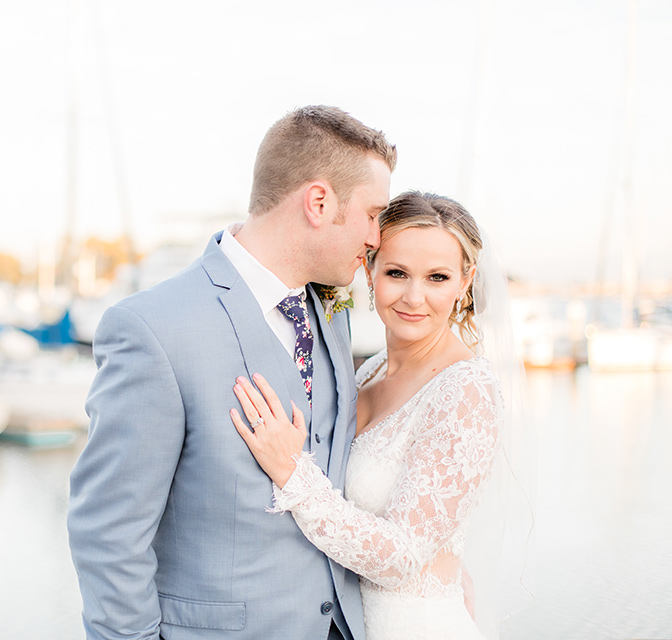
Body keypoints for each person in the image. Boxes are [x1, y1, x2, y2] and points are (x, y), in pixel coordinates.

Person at [67, 106, 396, 639]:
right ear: (318, 202)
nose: (377, 236)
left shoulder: (332, 315)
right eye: (372, 213)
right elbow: (108, 534)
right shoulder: (153, 329)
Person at [230, 191, 518, 639]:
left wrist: (292, 473)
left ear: (466, 282)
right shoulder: (371, 371)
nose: (413, 296)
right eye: (397, 272)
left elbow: (404, 558)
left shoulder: (466, 391)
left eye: (437, 277)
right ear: (370, 270)